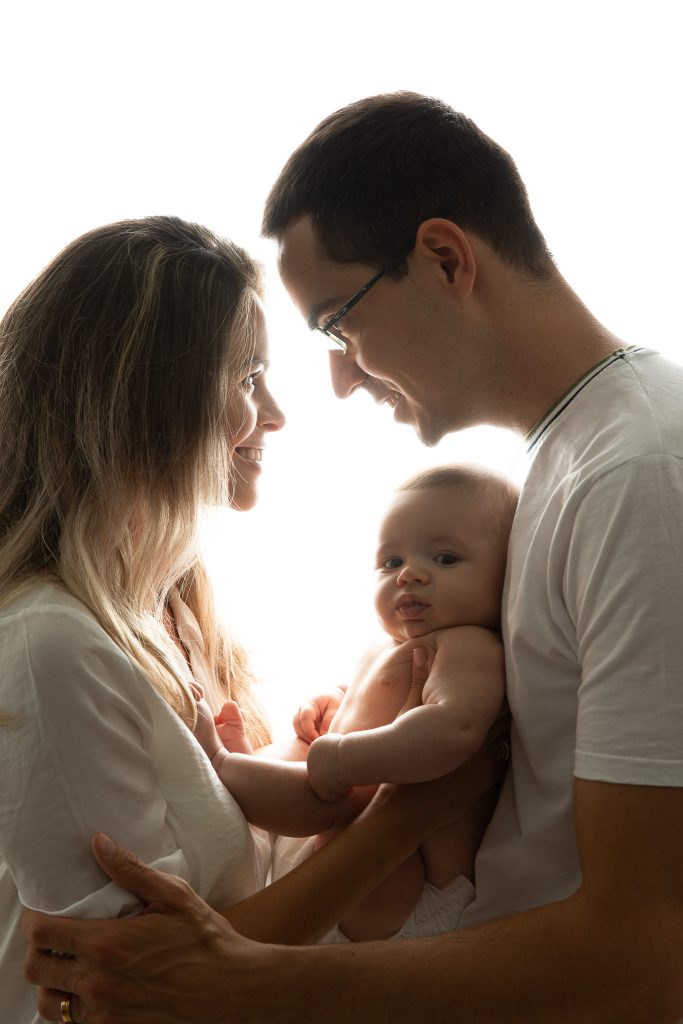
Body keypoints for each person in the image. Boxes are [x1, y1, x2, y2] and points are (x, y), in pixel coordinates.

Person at [24, 92, 683, 1023]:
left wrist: (243, 982)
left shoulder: (642, 471)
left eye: (338, 322)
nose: (336, 378)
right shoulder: (567, 464)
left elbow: (645, 958)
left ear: (445, 259)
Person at [0, 214, 505, 1024]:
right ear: (149, 400)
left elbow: (219, 898)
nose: (273, 413)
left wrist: (310, 746)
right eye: (245, 379)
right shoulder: (46, 644)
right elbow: (144, 994)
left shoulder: (166, 607)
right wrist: (407, 811)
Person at [294, 464, 516, 941]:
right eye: (391, 563)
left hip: (411, 890)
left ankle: (223, 766)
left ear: (507, 575)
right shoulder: (389, 642)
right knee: (296, 787)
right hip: (357, 864)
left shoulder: (470, 646)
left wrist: (343, 759)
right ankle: (225, 766)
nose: (410, 575)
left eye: (446, 559)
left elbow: (451, 730)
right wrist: (334, 700)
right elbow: (368, 695)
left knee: (312, 797)